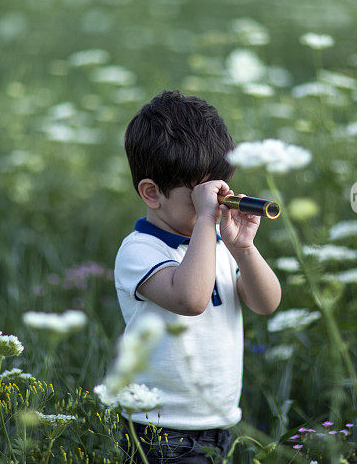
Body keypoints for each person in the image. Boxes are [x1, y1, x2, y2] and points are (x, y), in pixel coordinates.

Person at [112, 90, 282, 462]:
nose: (215, 208)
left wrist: (244, 248)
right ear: (152, 193)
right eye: (200, 198)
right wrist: (208, 222)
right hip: (159, 430)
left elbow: (266, 302)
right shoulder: (139, 250)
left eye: (219, 196)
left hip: (219, 424)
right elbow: (190, 299)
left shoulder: (219, 243)